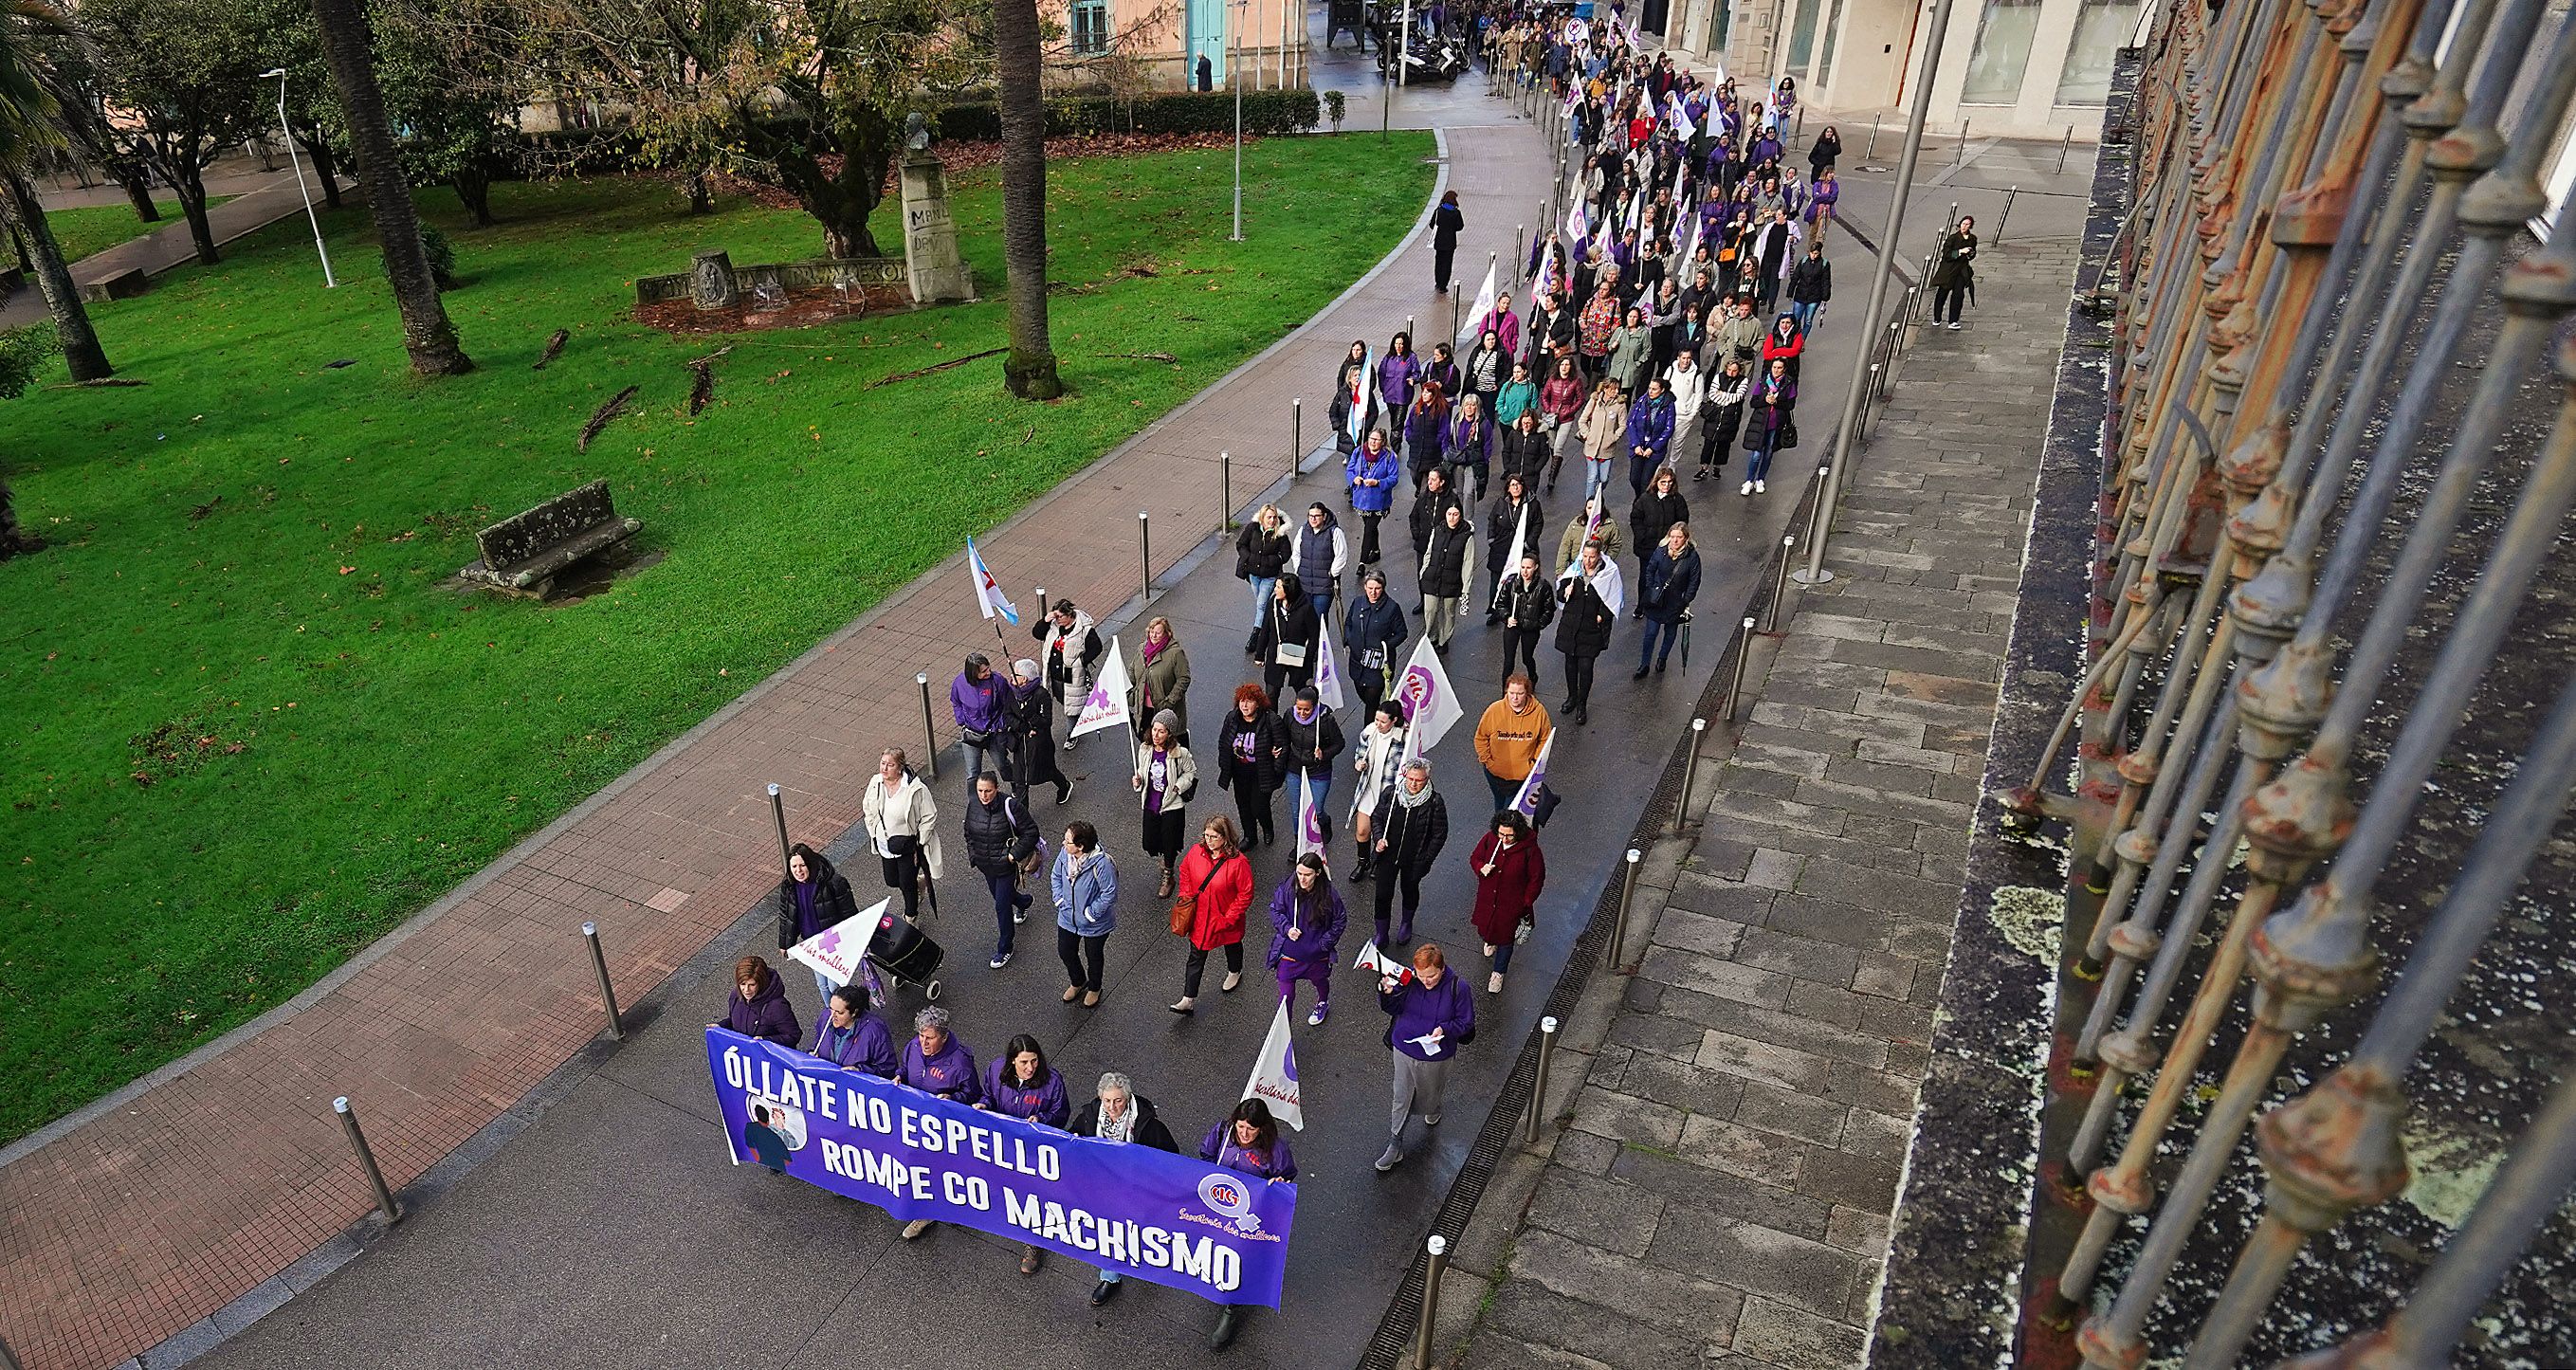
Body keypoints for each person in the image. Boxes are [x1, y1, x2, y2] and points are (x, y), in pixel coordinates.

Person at [1069, 1071, 1180, 1306]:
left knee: (1140, 1230)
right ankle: (1110, 1277)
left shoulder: (1148, 1125)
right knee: (1110, 1233)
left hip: (1138, 1192)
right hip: (1103, 1191)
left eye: (1118, 1100)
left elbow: (1171, 1155)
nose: (1112, 1106)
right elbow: (1072, 1138)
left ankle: (1148, 1260)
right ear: (1100, 1099)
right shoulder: (1089, 1119)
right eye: (1107, 1100)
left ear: (1128, 1099)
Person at [1199, 1099, 1297, 1350]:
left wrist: (1278, 1183)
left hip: (1250, 1213)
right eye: (1240, 1126)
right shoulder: (1223, 1132)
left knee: (1240, 1258)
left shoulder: (1275, 1150)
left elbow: (1287, 1175)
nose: (1243, 1134)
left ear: (1261, 1129)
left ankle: (1232, 1308)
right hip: (1219, 1208)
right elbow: (1207, 1155)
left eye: (1250, 1129)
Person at [1374, 942, 1475, 1171]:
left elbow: (1466, 1022)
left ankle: (1433, 1107)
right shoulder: (1410, 981)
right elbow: (1392, 1007)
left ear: (1442, 969)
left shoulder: (1459, 988)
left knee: (1429, 1095)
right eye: (1421, 975)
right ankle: (1395, 1143)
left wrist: (1445, 1030)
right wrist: (1386, 992)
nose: (1426, 981)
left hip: (1436, 1055)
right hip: (1404, 1047)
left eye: (1431, 976)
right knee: (1401, 1096)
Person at [979, 1033, 1071, 1273]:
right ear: (1012, 1061)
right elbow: (989, 1095)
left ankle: (1033, 1241)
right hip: (1006, 1143)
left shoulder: (1051, 1082)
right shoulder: (995, 1070)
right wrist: (984, 1105)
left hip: (1035, 1150)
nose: (1030, 1067)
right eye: (1024, 1063)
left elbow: (1061, 1113)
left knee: (1033, 1193)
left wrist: (1042, 1119)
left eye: (1034, 1061)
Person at [897, 1005, 980, 1239]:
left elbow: (973, 1094)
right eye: (921, 1036)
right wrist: (899, 1076)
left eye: (930, 1038)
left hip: (945, 1127)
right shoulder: (913, 1046)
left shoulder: (960, 1061)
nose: (923, 1042)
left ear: (943, 1037)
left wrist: (953, 1098)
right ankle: (926, 1212)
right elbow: (905, 1068)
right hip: (916, 1121)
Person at [1170, 814, 1256, 1014]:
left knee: (1232, 944)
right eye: (1206, 835)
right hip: (1201, 916)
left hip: (1224, 917)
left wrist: (1229, 918)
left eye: (1213, 836)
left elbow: (1246, 893)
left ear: (1225, 837)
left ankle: (1235, 971)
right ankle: (1188, 998)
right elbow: (1184, 871)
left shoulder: (1239, 863)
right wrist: (1185, 894)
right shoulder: (1196, 852)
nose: (1208, 840)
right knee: (1196, 956)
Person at [1368, 758, 1449, 948]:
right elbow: (1377, 817)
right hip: (1388, 854)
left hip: (1414, 858)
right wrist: (1378, 838)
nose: (1413, 784)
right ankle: (1381, 933)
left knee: (1409, 890)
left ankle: (1406, 923)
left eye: (1418, 780)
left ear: (1427, 779)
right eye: (1410, 778)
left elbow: (1439, 834)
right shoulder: (1391, 793)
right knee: (1382, 895)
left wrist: (1426, 859)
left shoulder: (1434, 801)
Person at [962, 774, 1040, 969]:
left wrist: (1013, 855)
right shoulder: (973, 805)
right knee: (1002, 897)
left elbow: (1031, 832)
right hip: (986, 865)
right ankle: (1025, 902)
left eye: (988, 790)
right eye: (980, 791)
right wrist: (974, 856)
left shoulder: (1011, 806)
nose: (983, 795)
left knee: (1001, 906)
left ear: (996, 788)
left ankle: (1005, 948)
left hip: (1006, 867)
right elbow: (968, 833)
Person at [1470, 813, 1547, 994]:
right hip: (1488, 898)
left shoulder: (1530, 850)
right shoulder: (1490, 839)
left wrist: (1526, 902)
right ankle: (1490, 940)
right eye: (1501, 834)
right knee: (1485, 929)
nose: (1504, 838)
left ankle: (1498, 972)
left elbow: (1537, 878)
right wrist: (1481, 867)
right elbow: (1475, 857)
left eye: (1509, 835)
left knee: (1505, 940)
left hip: (1512, 904)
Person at [863, 749, 942, 922]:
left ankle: (911, 917)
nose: (884, 768)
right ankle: (919, 884)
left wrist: (920, 841)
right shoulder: (876, 783)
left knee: (906, 884)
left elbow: (929, 815)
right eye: (883, 763)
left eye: (890, 765)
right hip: (885, 844)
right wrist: (873, 829)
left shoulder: (915, 788)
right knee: (892, 880)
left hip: (908, 845)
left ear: (900, 768)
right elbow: (868, 807)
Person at [1268, 853, 1348, 1025]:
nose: (1302, 879)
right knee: (1285, 997)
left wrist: (1323, 944)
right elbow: (1275, 910)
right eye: (1299, 873)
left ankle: (1322, 1002)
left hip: (1315, 956)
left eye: (1307, 875)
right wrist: (1287, 928)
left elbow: (1340, 920)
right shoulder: (1288, 889)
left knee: (1320, 981)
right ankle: (1285, 1030)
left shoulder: (1329, 895)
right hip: (1289, 955)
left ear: (1318, 873)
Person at [776, 842, 860, 1006]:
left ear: (811, 863)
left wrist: (854, 940)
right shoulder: (789, 887)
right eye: (794, 866)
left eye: (802, 865)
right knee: (822, 985)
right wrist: (785, 944)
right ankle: (834, 1014)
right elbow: (786, 916)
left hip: (834, 943)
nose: (798, 871)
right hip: (813, 944)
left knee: (834, 985)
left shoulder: (833, 883)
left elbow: (849, 913)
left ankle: (848, 1011)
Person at [1052, 819, 1118, 1007]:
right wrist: (1059, 900)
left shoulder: (1101, 864)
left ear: (1081, 846)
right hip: (1067, 917)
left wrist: (1090, 914)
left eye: (1068, 841)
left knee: (1094, 956)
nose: (1064, 844)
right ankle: (1078, 981)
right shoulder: (1065, 855)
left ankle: (1095, 987)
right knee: (1065, 951)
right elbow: (1056, 876)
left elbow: (1109, 893)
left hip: (1095, 924)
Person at [1215, 685, 1288, 849]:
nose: (1244, 706)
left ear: (1258, 703)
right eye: (1242, 701)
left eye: (1249, 701)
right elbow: (1223, 742)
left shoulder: (1271, 720)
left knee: (1259, 807)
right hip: (1239, 773)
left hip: (1261, 773)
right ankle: (1250, 837)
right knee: (1243, 806)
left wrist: (1276, 767)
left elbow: (1282, 746)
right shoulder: (1232, 718)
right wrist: (1224, 764)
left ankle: (1267, 828)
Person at [1132, 709, 1197, 897]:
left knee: (1170, 842)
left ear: (1170, 734)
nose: (1156, 734)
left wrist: (1178, 786)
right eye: (1154, 729)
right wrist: (1138, 781)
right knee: (1149, 843)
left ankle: (1168, 874)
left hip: (1171, 806)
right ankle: (1165, 859)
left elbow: (1190, 772)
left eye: (1161, 731)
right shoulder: (1145, 749)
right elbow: (1142, 773)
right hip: (1151, 803)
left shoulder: (1179, 753)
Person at [1556, 542, 1619, 723]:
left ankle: (1582, 704)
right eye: (1585, 556)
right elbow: (1560, 595)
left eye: (1592, 556)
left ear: (1599, 555)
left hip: (1590, 630)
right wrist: (1564, 592)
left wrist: (1601, 616)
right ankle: (1571, 698)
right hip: (1571, 627)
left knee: (1585, 668)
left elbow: (1613, 599)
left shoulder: (1607, 574)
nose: (1588, 560)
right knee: (1570, 665)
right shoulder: (1574, 572)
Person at [1471, 673, 1553, 812]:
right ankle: (1500, 829)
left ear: (1527, 693)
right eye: (1511, 693)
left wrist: (1532, 765)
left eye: (1520, 693)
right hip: (1494, 773)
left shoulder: (1539, 713)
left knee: (1508, 811)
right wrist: (1488, 761)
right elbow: (1481, 737)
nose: (1515, 698)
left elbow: (1545, 739)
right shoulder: (1494, 710)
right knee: (1499, 802)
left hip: (1521, 777)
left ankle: (1500, 830)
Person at [1346, 700, 1409, 879]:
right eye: (1376, 719)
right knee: (1362, 831)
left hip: (1389, 794)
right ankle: (1363, 862)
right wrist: (1359, 763)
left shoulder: (1404, 738)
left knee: (1382, 833)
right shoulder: (1369, 732)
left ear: (1394, 720)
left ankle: (1377, 862)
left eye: (1383, 721)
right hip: (1368, 788)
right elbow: (1359, 752)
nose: (1378, 724)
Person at [1031, 599, 1103, 749]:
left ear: (1070, 615)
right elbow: (1037, 634)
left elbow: (1096, 647)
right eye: (1055, 617)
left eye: (1060, 616)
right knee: (1060, 699)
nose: (1057, 620)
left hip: (1071, 672)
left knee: (1071, 703)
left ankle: (1072, 734)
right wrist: (1045, 621)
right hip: (1053, 673)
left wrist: (1080, 662)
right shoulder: (1053, 626)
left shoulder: (1084, 629)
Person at [1635, 521, 1704, 677]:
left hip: (1675, 602)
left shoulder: (1691, 557)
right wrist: (1652, 588)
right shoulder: (1661, 551)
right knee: (1650, 634)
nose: (1675, 540)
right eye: (1672, 537)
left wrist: (1685, 599)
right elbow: (1650, 569)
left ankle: (1662, 658)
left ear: (1686, 538)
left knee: (1670, 633)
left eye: (1679, 537)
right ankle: (1644, 664)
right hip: (1657, 600)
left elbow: (1694, 580)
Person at [1004, 658, 1073, 805]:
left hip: (1039, 744)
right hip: (1021, 742)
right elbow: (1007, 715)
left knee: (1048, 771)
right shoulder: (1012, 693)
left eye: (1015, 675)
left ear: (1025, 679)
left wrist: (1030, 715)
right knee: (1021, 779)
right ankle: (1023, 814)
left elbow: (1046, 722)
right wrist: (1023, 728)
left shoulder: (1041, 695)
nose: (1011, 677)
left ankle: (1064, 785)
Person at [1280, 685, 1344, 839]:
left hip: (1318, 770)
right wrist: (1278, 749)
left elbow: (1339, 743)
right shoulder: (1289, 715)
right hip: (1295, 768)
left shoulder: (1325, 720)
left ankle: (1324, 822)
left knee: (1316, 810)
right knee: (1297, 810)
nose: (1301, 713)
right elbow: (1283, 737)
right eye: (1299, 708)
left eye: (1306, 710)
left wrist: (1324, 754)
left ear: (1314, 707)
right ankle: (1299, 842)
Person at [1343, 571, 1410, 710]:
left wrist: (1384, 646)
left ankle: (1370, 728)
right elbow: (1348, 622)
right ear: (1365, 587)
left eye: (1377, 589)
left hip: (1377, 667)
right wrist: (1349, 639)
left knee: (1372, 703)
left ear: (1383, 588)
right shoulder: (1357, 602)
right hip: (1357, 662)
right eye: (1370, 588)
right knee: (1364, 695)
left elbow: (1402, 633)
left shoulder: (1392, 608)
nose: (1373, 592)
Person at [1418, 499, 1478, 650]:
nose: (1452, 517)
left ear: (1460, 516)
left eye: (1455, 514)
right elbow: (1429, 552)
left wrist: (1465, 588)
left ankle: (1444, 640)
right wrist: (1424, 571)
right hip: (1432, 577)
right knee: (1430, 611)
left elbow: (1468, 563)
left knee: (1448, 612)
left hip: (1452, 581)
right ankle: (1432, 637)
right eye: (1449, 514)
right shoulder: (1437, 530)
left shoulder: (1466, 537)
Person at [1233, 505, 1291, 657]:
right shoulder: (1253, 528)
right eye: (1269, 517)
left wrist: (1271, 560)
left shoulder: (1280, 534)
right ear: (1262, 518)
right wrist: (1248, 557)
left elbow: (1286, 554)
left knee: (1261, 604)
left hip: (1270, 576)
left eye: (1274, 517)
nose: (1272, 520)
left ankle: (1256, 637)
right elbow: (1241, 544)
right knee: (1263, 605)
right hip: (1253, 574)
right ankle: (1272, 624)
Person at [1254, 574, 1323, 703]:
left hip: (1298, 657)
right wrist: (1259, 654)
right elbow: (1265, 629)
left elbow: (1314, 636)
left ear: (1289, 589)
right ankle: (1272, 721)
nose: (1275, 589)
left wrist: (1308, 657)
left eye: (1279, 587)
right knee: (1271, 694)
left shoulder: (1306, 608)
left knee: (1302, 692)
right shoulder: (1273, 603)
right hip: (1275, 655)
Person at [810, 980, 898, 1077]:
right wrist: (811, 1054)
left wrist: (860, 1071)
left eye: (840, 1012)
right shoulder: (826, 1016)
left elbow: (887, 1069)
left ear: (854, 1012)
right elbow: (817, 1042)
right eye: (831, 1008)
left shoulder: (875, 1031)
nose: (832, 1015)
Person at [1484, 472, 1543, 618]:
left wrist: (1528, 543)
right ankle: (1495, 609)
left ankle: (1514, 611)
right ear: (1508, 488)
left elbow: (1538, 523)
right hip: (1500, 547)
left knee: (1518, 581)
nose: (1516, 487)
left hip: (1521, 549)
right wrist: (1491, 538)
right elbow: (1492, 519)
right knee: (1496, 580)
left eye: (1518, 484)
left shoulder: (1532, 504)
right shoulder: (1501, 502)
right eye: (1512, 485)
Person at [1494, 551, 1556, 686]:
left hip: (1530, 629)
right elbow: (1500, 603)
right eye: (1523, 567)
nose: (1525, 571)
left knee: (1527, 658)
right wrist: (1506, 617)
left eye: (1528, 567)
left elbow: (1549, 610)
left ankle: (1532, 676)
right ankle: (1505, 692)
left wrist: (1538, 624)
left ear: (1535, 567)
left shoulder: (1543, 586)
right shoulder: (1512, 582)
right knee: (1508, 660)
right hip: (1512, 627)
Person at [1344, 429, 1400, 572]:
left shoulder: (1389, 457)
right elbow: (1350, 470)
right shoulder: (1358, 452)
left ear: (1382, 442)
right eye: (1371, 438)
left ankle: (1362, 562)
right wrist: (1353, 479)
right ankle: (1375, 550)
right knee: (1371, 527)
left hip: (1378, 500)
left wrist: (1378, 482)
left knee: (1368, 529)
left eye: (1376, 440)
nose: (1372, 442)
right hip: (1361, 499)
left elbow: (1394, 478)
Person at [717, 954, 801, 1048]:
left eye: (752, 985)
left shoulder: (777, 1006)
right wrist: (720, 1027)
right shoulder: (735, 995)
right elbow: (734, 1020)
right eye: (742, 984)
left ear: (761, 982)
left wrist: (766, 1041)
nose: (746, 990)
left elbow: (793, 1035)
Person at [1284, 501, 1346, 626]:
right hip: (1304, 584)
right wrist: (1299, 569)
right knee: (1305, 618)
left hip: (1324, 587)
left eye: (1317, 516)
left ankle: (1320, 644)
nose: (1313, 519)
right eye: (1310, 515)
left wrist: (1332, 573)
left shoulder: (1334, 532)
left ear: (1324, 516)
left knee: (1319, 620)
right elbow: (1296, 552)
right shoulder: (1303, 530)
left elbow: (1341, 555)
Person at [1130, 616, 1191, 743]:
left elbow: (1183, 679)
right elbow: (1132, 671)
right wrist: (1128, 692)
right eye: (1152, 631)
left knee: (1171, 742)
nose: (1154, 635)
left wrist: (1170, 701)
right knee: (1146, 739)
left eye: (1158, 632)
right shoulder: (1142, 649)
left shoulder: (1175, 653)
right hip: (1144, 707)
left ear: (1166, 633)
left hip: (1165, 708)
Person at [1743, 356, 1797, 496]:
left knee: (1768, 453)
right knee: (1756, 454)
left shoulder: (1789, 384)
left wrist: (1776, 402)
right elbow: (1753, 402)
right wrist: (1765, 400)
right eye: (1774, 367)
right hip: (1760, 422)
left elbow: (1790, 405)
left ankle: (1760, 479)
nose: (1776, 370)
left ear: (1784, 369)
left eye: (1779, 368)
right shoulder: (1762, 382)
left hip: (1776, 424)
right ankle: (1749, 480)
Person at [950, 653, 1009, 779]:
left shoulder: (997, 681)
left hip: (994, 732)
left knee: (1002, 765)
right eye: (983, 671)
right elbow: (956, 702)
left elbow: (1008, 704)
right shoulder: (959, 683)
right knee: (972, 772)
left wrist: (1000, 725)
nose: (988, 672)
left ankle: (1017, 789)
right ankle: (975, 799)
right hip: (972, 733)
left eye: (988, 668)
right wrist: (961, 720)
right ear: (973, 673)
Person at [1630, 466, 1690, 583]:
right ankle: (1644, 601)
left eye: (1669, 482)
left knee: (1666, 579)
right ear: (1656, 482)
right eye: (1663, 482)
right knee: (1646, 578)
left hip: (1668, 548)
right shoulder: (1645, 499)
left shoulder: (1677, 500)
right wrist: (1642, 536)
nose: (1666, 485)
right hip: (1647, 547)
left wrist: (1673, 541)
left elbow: (1682, 522)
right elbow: (1636, 518)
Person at [1577, 376, 1630, 504]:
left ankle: (1598, 493)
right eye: (1613, 389)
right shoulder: (1594, 401)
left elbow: (1623, 425)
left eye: (1617, 389)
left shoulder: (1620, 405)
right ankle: (1590, 504)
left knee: (1604, 478)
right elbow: (1582, 420)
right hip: (1591, 446)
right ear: (1605, 389)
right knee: (1592, 476)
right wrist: (1587, 434)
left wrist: (1614, 437)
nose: (1616, 392)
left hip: (1607, 448)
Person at [1622, 374, 1675, 497]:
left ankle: (1642, 502)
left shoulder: (1669, 405)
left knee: (1645, 480)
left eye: (1654, 389)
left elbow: (1668, 429)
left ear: (1662, 390)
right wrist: (1636, 444)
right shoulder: (1642, 400)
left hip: (1654, 450)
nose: (1650, 392)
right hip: (1639, 446)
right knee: (1634, 479)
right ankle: (1640, 497)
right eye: (1649, 388)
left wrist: (1653, 448)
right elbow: (1631, 422)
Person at [1697, 356, 1749, 481]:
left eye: (1734, 370)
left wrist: (1722, 394)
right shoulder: (1719, 377)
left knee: (1724, 445)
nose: (1731, 373)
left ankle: (1717, 467)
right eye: (1729, 369)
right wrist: (1727, 397)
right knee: (1708, 444)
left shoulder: (1743, 380)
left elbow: (1738, 397)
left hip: (1730, 419)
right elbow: (1712, 394)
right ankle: (1704, 468)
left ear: (1739, 370)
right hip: (1714, 416)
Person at [1408, 465, 1463, 571]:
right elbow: (1413, 517)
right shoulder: (1423, 497)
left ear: (1442, 482)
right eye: (1429, 479)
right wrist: (1417, 534)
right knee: (1422, 574)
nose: (1429, 482)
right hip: (1423, 544)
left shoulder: (1452, 499)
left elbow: (1458, 522)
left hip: (1442, 545)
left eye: (1433, 480)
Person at [1444, 392, 1494, 503]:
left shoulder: (1484, 424)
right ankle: (1460, 514)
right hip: (1458, 460)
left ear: (1477, 407)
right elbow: (1450, 437)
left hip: (1474, 462)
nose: (1469, 408)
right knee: (1459, 491)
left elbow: (1488, 444)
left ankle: (1468, 519)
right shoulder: (1457, 420)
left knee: (1469, 492)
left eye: (1472, 405)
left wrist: (1484, 461)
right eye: (1467, 404)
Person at [1555, 496, 1625, 575]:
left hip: (1598, 570)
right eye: (1589, 508)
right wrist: (1560, 571)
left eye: (1595, 508)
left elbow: (1616, 544)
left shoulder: (1610, 526)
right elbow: (1565, 547)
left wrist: (1605, 559)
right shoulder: (1576, 524)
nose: (1591, 511)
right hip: (1576, 569)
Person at [1932, 214, 1977, 328]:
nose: (1964, 226)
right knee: (1942, 294)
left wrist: (1971, 254)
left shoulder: (1972, 239)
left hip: (1961, 271)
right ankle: (1937, 318)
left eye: (1967, 224)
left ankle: (1953, 320)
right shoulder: (1952, 238)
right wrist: (1960, 252)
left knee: (1958, 295)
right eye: (1963, 223)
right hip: (1949, 270)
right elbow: (1946, 254)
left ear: (1970, 226)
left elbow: (1972, 254)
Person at [1786, 243, 1831, 336]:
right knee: (1796, 319)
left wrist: (1825, 297)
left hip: (1814, 296)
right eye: (1812, 253)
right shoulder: (1804, 261)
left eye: (1816, 254)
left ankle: (1802, 340)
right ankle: (1794, 338)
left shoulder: (1824, 264)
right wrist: (1790, 291)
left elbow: (1826, 281)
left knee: (1808, 320)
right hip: (1800, 294)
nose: (1813, 256)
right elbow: (1795, 277)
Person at [1430, 189, 1466, 293]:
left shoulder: (1438, 211)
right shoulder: (1456, 213)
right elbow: (1460, 226)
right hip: (1450, 242)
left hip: (1439, 242)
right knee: (1447, 263)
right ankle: (1443, 285)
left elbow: (1432, 224)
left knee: (1439, 262)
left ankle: (1438, 282)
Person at [1760, 311, 1807, 384]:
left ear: (1792, 324)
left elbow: (1795, 351)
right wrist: (1787, 352)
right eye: (1783, 322)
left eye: (1788, 323)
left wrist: (1776, 351)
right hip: (1771, 369)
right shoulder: (1772, 336)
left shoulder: (1797, 335)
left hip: (1791, 369)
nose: (1785, 325)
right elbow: (1767, 355)